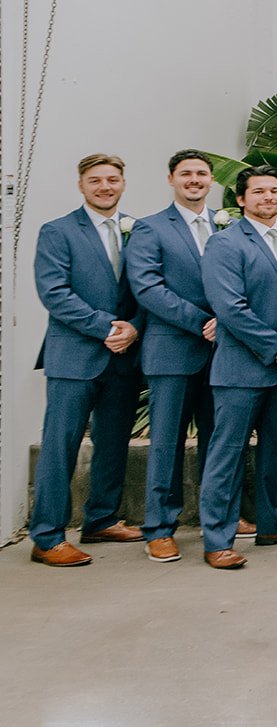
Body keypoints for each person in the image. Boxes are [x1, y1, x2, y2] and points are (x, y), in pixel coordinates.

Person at [28, 154, 144, 567]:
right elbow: (54, 293)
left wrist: (134, 327)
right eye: (95, 180)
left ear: (123, 183)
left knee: (113, 443)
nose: (105, 187)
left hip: (124, 358)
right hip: (74, 357)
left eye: (112, 179)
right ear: (81, 186)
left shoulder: (139, 231)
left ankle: (102, 519)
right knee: (60, 446)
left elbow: (148, 289)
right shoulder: (58, 231)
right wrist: (106, 328)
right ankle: (47, 537)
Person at [198, 166, 277, 568]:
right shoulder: (225, 243)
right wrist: (275, 347)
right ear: (241, 199)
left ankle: (272, 523)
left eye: (274, 190)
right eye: (259, 191)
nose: (269, 197)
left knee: (276, 449)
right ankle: (217, 539)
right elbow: (229, 307)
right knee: (227, 454)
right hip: (242, 367)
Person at [126, 150, 222, 563]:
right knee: (167, 442)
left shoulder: (227, 224)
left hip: (223, 353)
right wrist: (202, 322)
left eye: (201, 173)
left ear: (212, 179)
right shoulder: (150, 228)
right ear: (171, 179)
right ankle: (160, 527)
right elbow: (147, 288)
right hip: (172, 350)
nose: (194, 179)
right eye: (186, 174)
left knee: (219, 440)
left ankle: (218, 516)